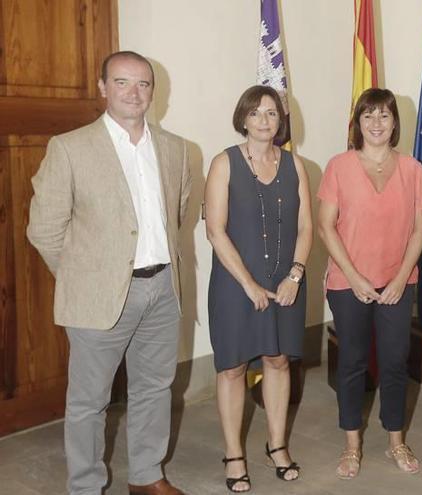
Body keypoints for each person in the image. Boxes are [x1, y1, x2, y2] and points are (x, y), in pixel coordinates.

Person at [27, 51, 191, 495]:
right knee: (88, 403)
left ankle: (146, 475)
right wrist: (85, 276)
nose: (134, 93)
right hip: (98, 298)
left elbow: (174, 214)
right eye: (122, 82)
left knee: (155, 388)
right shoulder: (70, 147)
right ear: (102, 88)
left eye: (143, 84)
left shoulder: (174, 148)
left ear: (154, 91)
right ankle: (84, 486)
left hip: (162, 288)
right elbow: (43, 229)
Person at [317, 88, 422, 479]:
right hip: (349, 283)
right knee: (352, 362)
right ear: (358, 123)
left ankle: (396, 440)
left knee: (396, 362)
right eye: (369, 116)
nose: (377, 123)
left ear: (395, 122)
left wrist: (400, 279)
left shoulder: (413, 169)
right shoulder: (339, 166)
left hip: (398, 282)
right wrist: (354, 276)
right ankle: (352, 446)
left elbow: (419, 231)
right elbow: (325, 226)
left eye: (384, 115)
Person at [204, 85, 311, 492]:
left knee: (279, 361)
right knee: (232, 368)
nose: (265, 120)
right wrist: (249, 284)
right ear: (243, 118)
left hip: (286, 283)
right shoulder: (224, 163)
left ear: (280, 121)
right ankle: (234, 454)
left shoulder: (295, 165)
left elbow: (305, 227)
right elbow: (215, 231)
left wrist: (295, 276)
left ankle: (277, 446)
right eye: (257, 113)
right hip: (236, 285)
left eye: (272, 113)